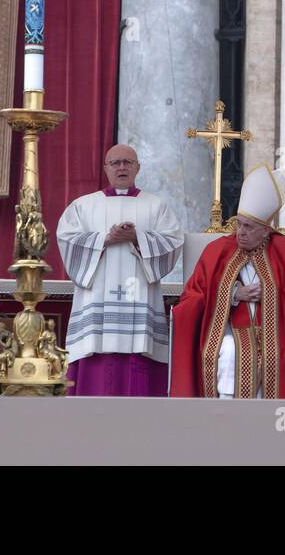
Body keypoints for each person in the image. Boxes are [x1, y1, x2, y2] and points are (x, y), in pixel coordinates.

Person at [171, 165, 285, 399]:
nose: (240, 233)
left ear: (266, 231)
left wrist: (280, 293)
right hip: (231, 331)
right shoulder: (216, 251)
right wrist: (233, 294)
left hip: (281, 332)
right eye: (238, 224)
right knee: (230, 351)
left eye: (248, 227)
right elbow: (194, 296)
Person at [55, 144, 183, 395]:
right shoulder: (83, 206)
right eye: (115, 163)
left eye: (127, 162)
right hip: (97, 300)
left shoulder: (157, 206)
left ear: (138, 167)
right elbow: (67, 239)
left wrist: (138, 238)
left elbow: (173, 242)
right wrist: (104, 239)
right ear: (105, 168)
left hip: (140, 298)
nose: (122, 167)